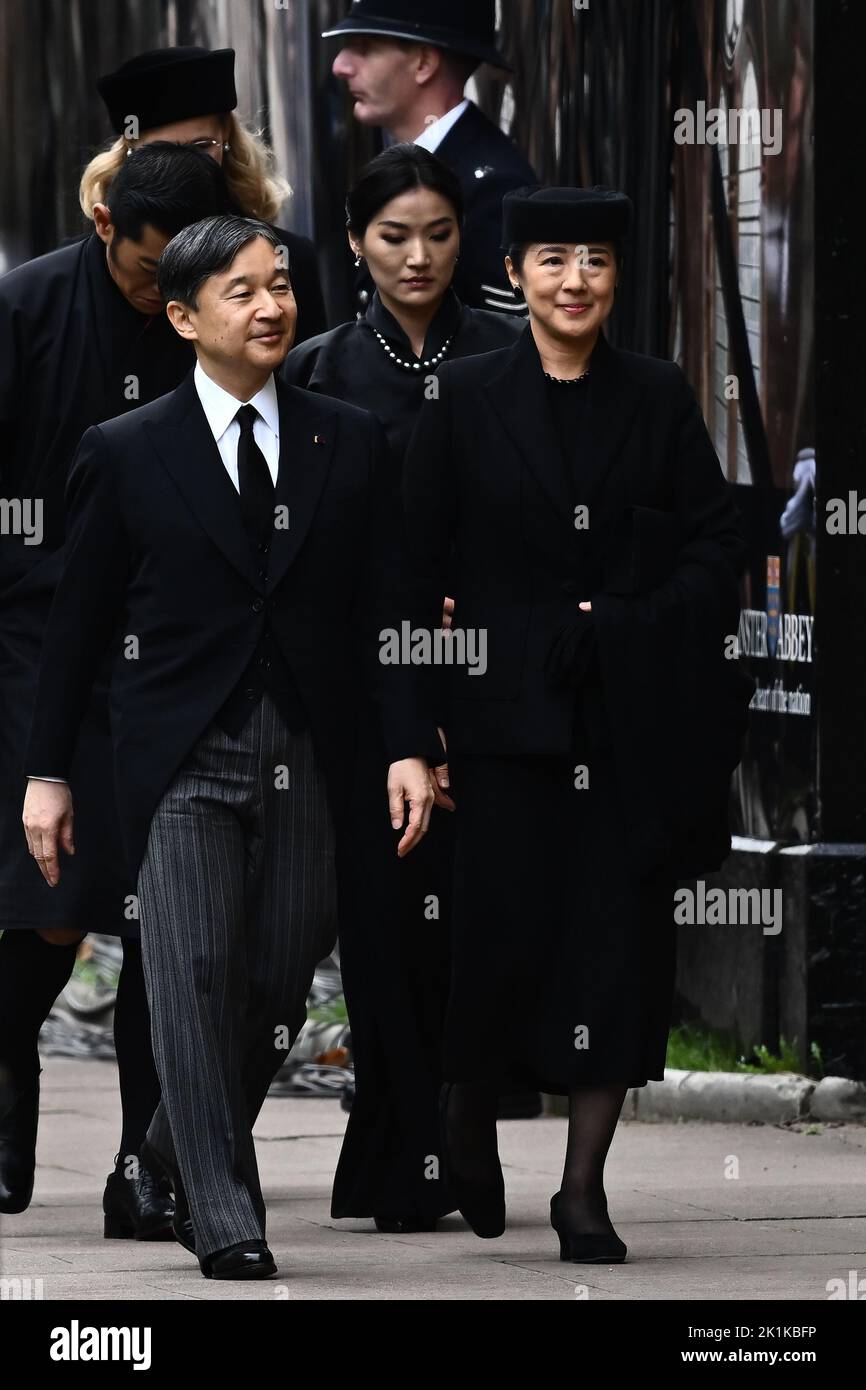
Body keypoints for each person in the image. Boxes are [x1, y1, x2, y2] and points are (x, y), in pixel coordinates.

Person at [21, 214, 440, 1279]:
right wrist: (48, 771)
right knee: (197, 971)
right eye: (242, 292)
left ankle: (158, 1149)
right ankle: (221, 1213)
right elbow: (73, 629)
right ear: (182, 315)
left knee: (279, 976)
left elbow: (380, 611)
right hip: (176, 760)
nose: (270, 307)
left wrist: (405, 746)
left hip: (312, 746)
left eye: (280, 286)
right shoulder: (124, 451)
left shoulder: (345, 438)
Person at [402, 186, 751, 1261]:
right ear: (512, 274)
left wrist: (625, 619)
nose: (573, 281)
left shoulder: (654, 397)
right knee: (496, 944)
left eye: (594, 261)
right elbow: (413, 569)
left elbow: (713, 547)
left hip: (623, 722)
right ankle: (466, 1109)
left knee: (615, 952)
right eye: (550, 259)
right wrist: (418, 733)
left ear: (615, 277)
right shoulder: (459, 396)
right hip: (500, 723)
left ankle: (581, 1190)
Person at [283, 143, 522, 1232]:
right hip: (364, 678)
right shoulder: (321, 371)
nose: (417, 255)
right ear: (354, 243)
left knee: (468, 920)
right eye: (393, 236)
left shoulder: (505, 352)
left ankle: (439, 1133)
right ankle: (399, 1142)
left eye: (436, 232)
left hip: (489, 674)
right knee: (381, 918)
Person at [0, 144, 231, 1232]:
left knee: (170, 917)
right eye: (148, 277)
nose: (163, 300)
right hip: (35, 634)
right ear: (106, 230)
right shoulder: (27, 307)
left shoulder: (232, 304)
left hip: (181, 641)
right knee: (54, 902)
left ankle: (153, 1170)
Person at [88, 44, 327, 343]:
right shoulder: (84, 266)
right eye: (160, 151)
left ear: (226, 137)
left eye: (201, 147)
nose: (184, 164)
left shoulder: (289, 259)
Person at [324, 0, 536, 315]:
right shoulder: (398, 165)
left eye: (365, 48)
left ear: (423, 63)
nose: (340, 65)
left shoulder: (494, 187)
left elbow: (501, 343)